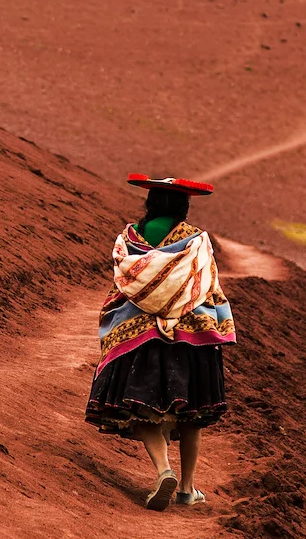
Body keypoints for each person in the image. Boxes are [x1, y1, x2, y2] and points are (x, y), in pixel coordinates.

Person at [86, 173, 236, 510]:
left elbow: (120, 289)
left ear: (150, 203)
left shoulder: (129, 240)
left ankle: (163, 469)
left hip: (138, 335)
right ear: (183, 207)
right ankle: (186, 488)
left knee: (143, 407)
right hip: (189, 336)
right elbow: (207, 288)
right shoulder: (197, 241)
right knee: (191, 412)